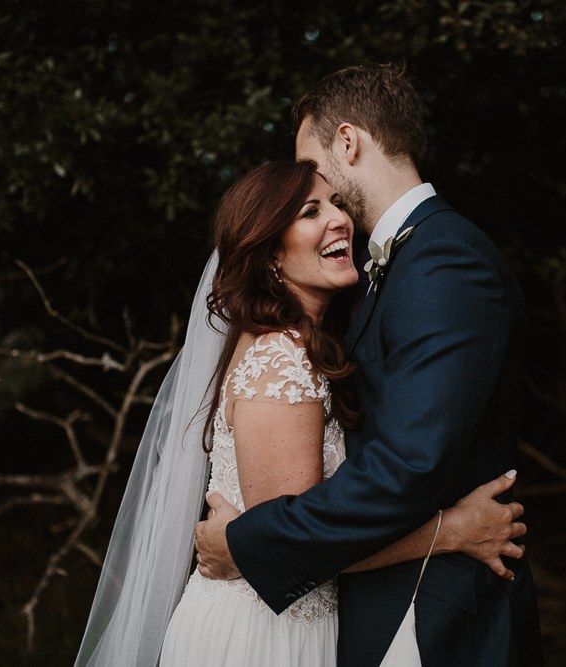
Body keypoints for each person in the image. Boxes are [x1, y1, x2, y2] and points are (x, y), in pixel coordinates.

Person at [76, 159, 528, 665]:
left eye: (337, 203)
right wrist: (452, 531)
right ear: (270, 255)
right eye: (310, 212)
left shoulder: (305, 347)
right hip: (261, 635)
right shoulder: (283, 359)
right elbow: (293, 544)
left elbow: (289, 539)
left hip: (288, 623)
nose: (339, 219)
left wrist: (239, 546)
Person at [194, 64, 543, 665]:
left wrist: (247, 546)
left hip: (433, 615)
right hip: (349, 612)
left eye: (315, 167)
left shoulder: (445, 263)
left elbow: (406, 465)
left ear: (348, 142)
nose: (316, 191)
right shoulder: (378, 276)